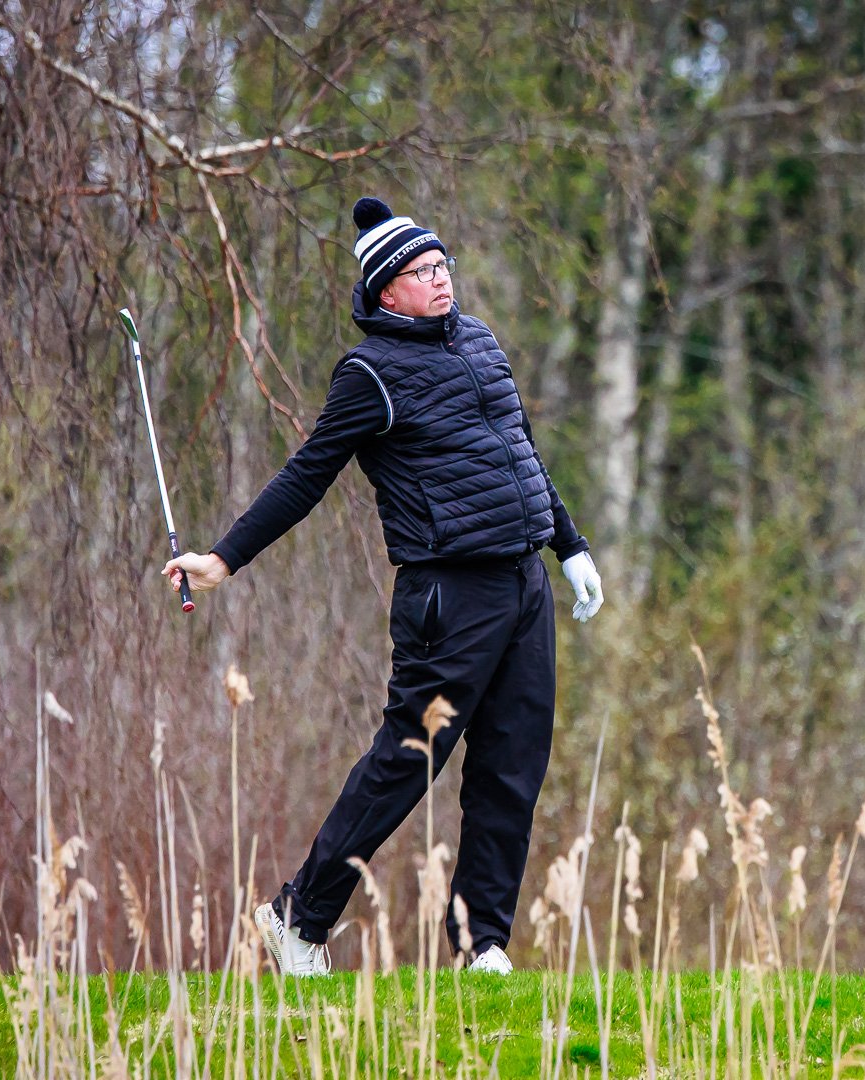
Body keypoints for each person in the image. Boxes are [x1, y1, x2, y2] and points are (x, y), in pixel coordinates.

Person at [161, 196, 605, 977]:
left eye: (444, 266)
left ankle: (482, 947)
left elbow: (522, 451)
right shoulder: (370, 373)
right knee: (407, 759)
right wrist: (225, 559)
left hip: (524, 582)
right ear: (385, 290)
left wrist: (570, 546)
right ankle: (297, 920)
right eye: (422, 272)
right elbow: (307, 476)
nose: (441, 281)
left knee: (512, 765)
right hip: (448, 597)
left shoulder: (478, 341)